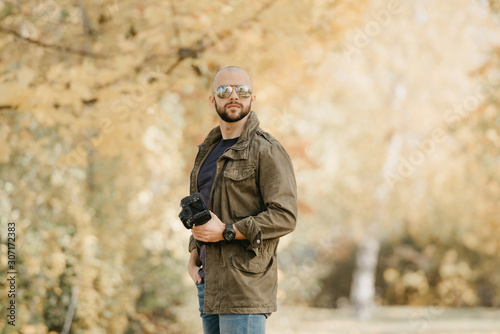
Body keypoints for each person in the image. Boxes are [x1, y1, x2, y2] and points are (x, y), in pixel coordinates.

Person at [186, 66, 297, 334]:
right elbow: (203, 211)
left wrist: (226, 231)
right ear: (213, 99)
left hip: (244, 287)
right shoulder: (207, 151)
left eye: (242, 90)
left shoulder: (266, 149)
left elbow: (285, 216)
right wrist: (193, 254)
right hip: (208, 282)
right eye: (225, 90)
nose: (234, 96)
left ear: (252, 99)